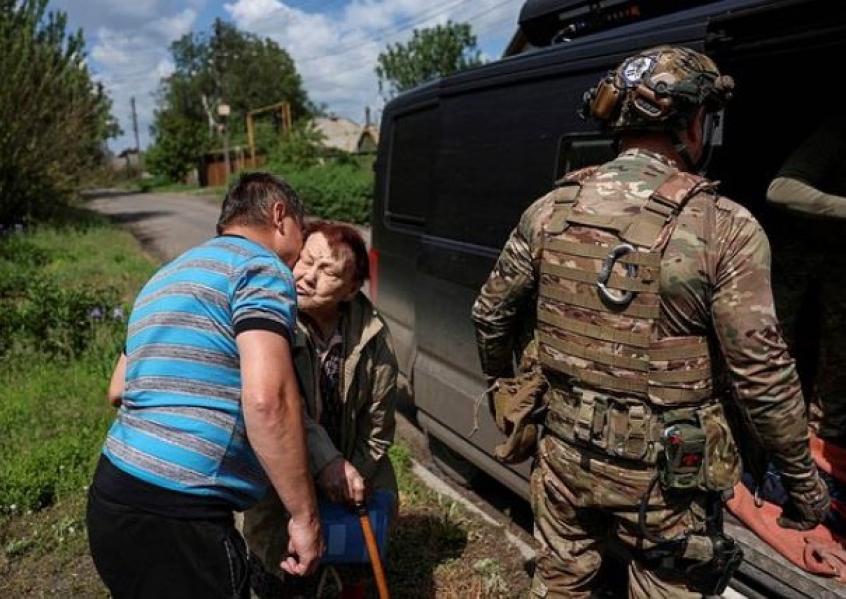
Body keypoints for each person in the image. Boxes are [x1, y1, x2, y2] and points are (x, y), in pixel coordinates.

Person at [471, 45, 830, 598]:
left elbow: (490, 315)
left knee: (559, 589)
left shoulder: (551, 209)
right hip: (669, 479)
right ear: (694, 124)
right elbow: (760, 371)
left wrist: (508, 388)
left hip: (564, 451)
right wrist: (804, 486)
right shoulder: (724, 227)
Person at [85, 171, 324, 598]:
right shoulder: (262, 267)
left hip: (111, 499)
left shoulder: (166, 276)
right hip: (179, 518)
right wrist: (304, 518)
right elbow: (269, 401)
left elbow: (118, 388)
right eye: (302, 230)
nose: (301, 246)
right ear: (279, 215)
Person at [241, 220, 400, 598]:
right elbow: (278, 410)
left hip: (352, 471)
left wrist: (349, 480)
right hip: (283, 474)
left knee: (353, 566)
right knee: (279, 575)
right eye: (305, 261)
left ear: (350, 289)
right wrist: (320, 474)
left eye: (326, 270)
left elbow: (378, 428)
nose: (308, 277)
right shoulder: (272, 324)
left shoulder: (373, 336)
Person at [766, 116, 846, 444]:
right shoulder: (837, 132)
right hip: (797, 253)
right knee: (772, 348)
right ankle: (770, 437)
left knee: (839, 358)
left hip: (840, 261)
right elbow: (781, 189)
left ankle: (828, 440)